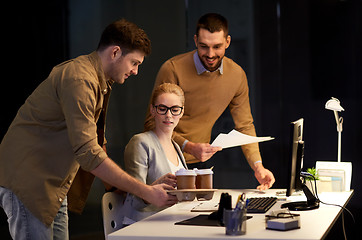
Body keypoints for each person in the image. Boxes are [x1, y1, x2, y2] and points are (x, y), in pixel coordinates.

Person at [0, 19, 177, 240]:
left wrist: (128, 188)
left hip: (55, 183)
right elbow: (88, 152)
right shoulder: (80, 79)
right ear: (115, 52)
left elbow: (95, 141)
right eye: (134, 62)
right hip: (30, 181)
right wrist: (145, 191)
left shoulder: (98, 80)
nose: (135, 71)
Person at [144, 13, 275, 190]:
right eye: (204, 46)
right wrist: (188, 146)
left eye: (217, 46)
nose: (210, 54)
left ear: (227, 42)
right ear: (196, 40)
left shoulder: (236, 75)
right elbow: (152, 123)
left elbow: (245, 126)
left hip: (200, 164)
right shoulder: (173, 69)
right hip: (162, 160)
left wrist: (258, 167)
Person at [121, 83, 187, 225]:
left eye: (175, 109)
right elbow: (134, 201)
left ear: (181, 112)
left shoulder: (176, 147)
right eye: (162, 109)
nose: (168, 115)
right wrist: (150, 190)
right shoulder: (140, 142)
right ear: (152, 110)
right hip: (144, 225)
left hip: (171, 222)